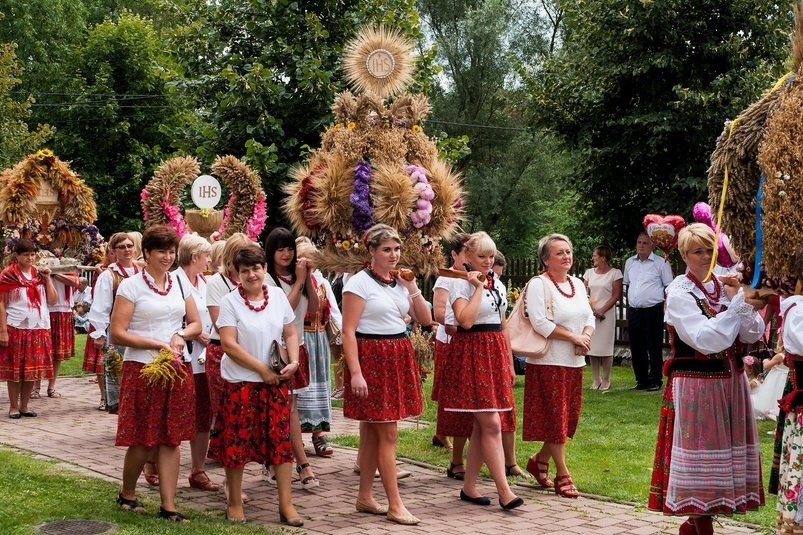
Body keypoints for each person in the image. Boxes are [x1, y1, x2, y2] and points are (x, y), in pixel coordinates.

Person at [647, 223, 764, 535]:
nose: (705, 256)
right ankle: (701, 526)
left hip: (730, 382)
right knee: (702, 459)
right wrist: (737, 304)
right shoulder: (679, 293)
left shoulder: (723, 285)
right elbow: (705, 338)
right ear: (685, 255)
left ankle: (694, 524)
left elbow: (752, 333)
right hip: (697, 384)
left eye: (710, 250)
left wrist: (742, 300)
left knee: (723, 459)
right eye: (698, 251)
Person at [110, 225, 202, 523]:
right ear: (146, 253)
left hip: (176, 369)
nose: (168, 256)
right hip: (143, 369)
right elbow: (118, 333)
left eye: (172, 251)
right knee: (142, 439)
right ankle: (127, 492)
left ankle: (169, 506)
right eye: (161, 250)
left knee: (171, 438)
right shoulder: (131, 286)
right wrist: (156, 343)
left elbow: (196, 324)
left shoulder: (179, 282)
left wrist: (179, 335)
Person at [342, 224, 431, 525]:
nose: (394, 255)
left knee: (374, 434)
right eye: (387, 250)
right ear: (371, 251)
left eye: (397, 249)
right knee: (388, 432)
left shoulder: (399, 282)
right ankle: (395, 504)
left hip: (397, 355)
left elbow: (426, 319)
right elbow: (348, 331)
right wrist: (356, 372)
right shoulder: (358, 284)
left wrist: (413, 287)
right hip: (372, 358)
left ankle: (365, 497)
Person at [215, 245, 303, 526]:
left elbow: (290, 330)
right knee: (237, 442)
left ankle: (286, 505)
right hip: (241, 383)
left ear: (265, 269)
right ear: (236, 275)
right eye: (245, 271)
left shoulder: (276, 295)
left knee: (280, 443)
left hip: (275, 382)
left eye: (256, 268)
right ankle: (234, 501)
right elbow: (228, 344)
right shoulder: (230, 302)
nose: (252, 275)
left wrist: (295, 360)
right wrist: (260, 369)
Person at [438, 231, 523, 510]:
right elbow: (465, 321)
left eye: (490, 256)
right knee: (492, 423)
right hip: (472, 351)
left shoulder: (496, 281)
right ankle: (504, 490)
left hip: (494, 351)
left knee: (482, 424)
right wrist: (477, 288)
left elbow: (502, 324)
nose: (488, 261)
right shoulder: (459, 284)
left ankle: (470, 486)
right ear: (468, 257)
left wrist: (509, 362)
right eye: (482, 256)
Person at [522, 234, 594, 499]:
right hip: (548, 361)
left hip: (575, 361)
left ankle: (540, 460)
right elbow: (540, 323)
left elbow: (589, 316)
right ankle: (562, 474)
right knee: (555, 419)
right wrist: (573, 337)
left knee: (566, 419)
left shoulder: (576, 283)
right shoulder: (538, 284)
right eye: (559, 253)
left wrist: (584, 336)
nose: (566, 256)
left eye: (568, 251)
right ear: (545, 259)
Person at [263, 227, 320, 489]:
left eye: (289, 248)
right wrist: (298, 282)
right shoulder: (267, 280)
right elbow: (283, 312)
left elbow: (316, 309)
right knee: (285, 410)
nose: (286, 254)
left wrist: (307, 279)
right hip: (275, 351)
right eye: (280, 249)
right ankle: (302, 463)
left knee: (289, 409)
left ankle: (278, 460)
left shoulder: (299, 275)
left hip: (298, 347)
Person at [174, 234, 220, 492]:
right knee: (177, 412)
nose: (209, 260)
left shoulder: (205, 283)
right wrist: (195, 332)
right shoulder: (175, 281)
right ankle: (153, 462)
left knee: (203, 415)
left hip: (204, 361)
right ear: (194, 257)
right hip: (182, 357)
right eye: (206, 256)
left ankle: (198, 470)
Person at [0, 239, 57, 418]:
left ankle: (25, 406)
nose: (30, 258)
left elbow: (53, 300)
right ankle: (13, 406)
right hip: (16, 327)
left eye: (33, 254)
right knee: (16, 370)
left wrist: (48, 278)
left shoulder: (39, 274)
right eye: (26, 255)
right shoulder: (8, 275)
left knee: (32, 369)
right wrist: (2, 330)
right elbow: (1, 304)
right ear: (17, 256)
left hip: (39, 328)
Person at [85, 233, 139, 412]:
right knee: (119, 374)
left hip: (142, 330)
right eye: (121, 247)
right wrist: (99, 332)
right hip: (119, 332)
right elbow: (101, 306)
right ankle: (121, 415)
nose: (126, 250)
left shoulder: (143, 271)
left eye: (129, 246)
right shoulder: (109, 276)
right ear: (113, 251)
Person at [296, 238, 339, 457]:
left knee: (319, 385)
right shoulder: (292, 282)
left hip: (319, 339)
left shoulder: (323, 283)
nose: (306, 261)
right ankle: (294, 436)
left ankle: (319, 435)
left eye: (310, 257)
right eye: (301, 257)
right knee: (300, 388)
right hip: (301, 338)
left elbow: (334, 314)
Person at [432, 233, 470, 479]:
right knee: (450, 390)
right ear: (454, 255)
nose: (468, 257)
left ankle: (444, 433)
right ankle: (443, 433)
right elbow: (438, 313)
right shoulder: (445, 280)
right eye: (465, 252)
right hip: (450, 340)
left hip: (468, 340)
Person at [623, 232, 673, 391]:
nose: (641, 245)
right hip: (635, 310)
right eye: (639, 242)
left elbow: (669, 287)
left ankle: (655, 380)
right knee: (636, 345)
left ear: (652, 246)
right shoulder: (630, 262)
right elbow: (628, 284)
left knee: (654, 345)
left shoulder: (661, 263)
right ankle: (641, 380)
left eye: (645, 243)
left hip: (653, 309)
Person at [582, 246, 624, 391]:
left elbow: (616, 295)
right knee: (592, 347)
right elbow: (583, 292)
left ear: (603, 258)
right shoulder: (588, 273)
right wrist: (592, 309)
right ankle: (596, 378)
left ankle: (606, 379)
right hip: (591, 313)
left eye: (595, 256)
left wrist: (602, 310)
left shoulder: (615, 273)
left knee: (605, 347)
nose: (593, 258)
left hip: (607, 314)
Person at [41, 271, 80, 398]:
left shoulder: (69, 268)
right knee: (41, 351)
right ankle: (35, 387)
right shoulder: (40, 265)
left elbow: (75, 282)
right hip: (44, 309)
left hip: (63, 310)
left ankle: (51, 386)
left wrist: (55, 274)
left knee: (58, 353)